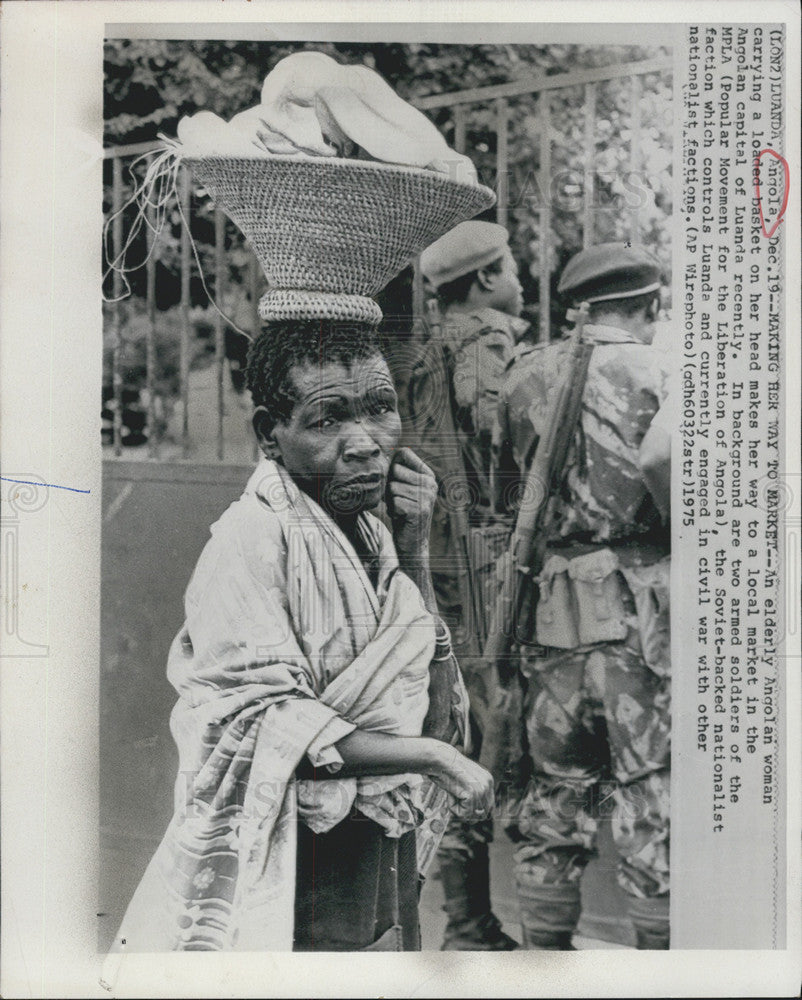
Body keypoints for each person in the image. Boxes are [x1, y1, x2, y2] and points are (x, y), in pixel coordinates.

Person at [112, 319, 494, 952]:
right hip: (301, 859)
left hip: (379, 839)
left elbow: (423, 673)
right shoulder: (251, 541)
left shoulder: (370, 532)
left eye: (380, 410)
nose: (367, 443)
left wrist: (415, 547)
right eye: (328, 421)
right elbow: (266, 722)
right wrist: (433, 757)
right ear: (270, 434)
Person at [491, 243, 672, 950]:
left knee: (563, 789)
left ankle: (545, 964)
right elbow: (664, 464)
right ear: (649, 306)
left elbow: (506, 484)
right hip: (639, 620)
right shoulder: (661, 371)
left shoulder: (524, 374)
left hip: (552, 614)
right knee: (644, 789)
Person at [408, 221, 526, 950]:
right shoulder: (485, 335)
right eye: (511, 266)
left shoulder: (422, 345)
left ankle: (466, 919)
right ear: (484, 280)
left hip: (439, 557)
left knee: (457, 726)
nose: (518, 276)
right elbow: (495, 425)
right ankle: (469, 925)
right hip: (484, 560)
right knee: (494, 724)